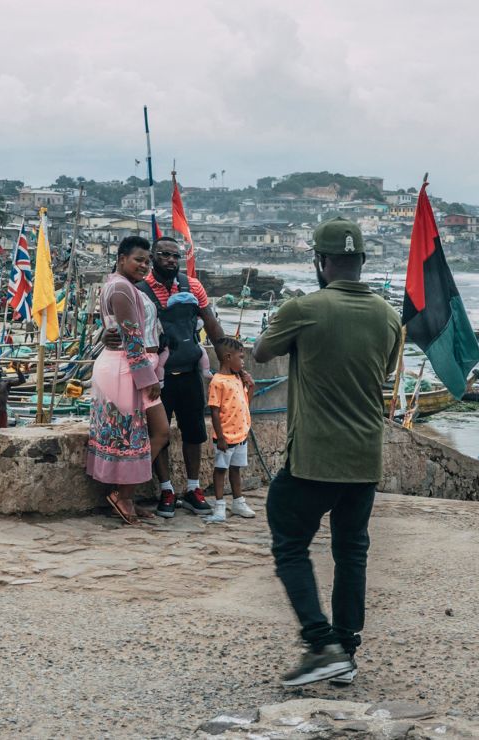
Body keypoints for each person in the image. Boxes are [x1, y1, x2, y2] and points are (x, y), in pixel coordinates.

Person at [253, 217, 403, 687]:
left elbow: (260, 352)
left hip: (315, 457)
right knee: (351, 552)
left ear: (320, 263)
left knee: (289, 543)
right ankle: (347, 653)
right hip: (365, 458)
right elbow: (385, 368)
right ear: (361, 262)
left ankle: (320, 645)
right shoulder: (389, 316)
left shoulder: (304, 307)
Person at [136, 236, 226, 518]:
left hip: (189, 372)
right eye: (164, 255)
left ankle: (193, 488)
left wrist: (229, 365)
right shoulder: (141, 291)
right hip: (157, 377)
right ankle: (165, 489)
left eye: (176, 255)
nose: (171, 260)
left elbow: (211, 325)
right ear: (153, 257)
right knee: (159, 435)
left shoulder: (193, 286)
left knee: (194, 432)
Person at [86, 236, 169, 525]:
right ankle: (122, 496)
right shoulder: (121, 288)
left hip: (128, 365)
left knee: (140, 434)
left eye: (147, 261)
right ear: (121, 258)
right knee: (143, 433)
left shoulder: (120, 285)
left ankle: (123, 494)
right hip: (127, 368)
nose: (144, 266)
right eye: (138, 260)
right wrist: (148, 379)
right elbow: (131, 338)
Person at [203, 337, 256, 523]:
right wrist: (221, 437)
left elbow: (246, 402)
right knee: (220, 469)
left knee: (236, 469)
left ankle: (238, 501)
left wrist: (251, 385)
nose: (243, 362)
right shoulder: (218, 382)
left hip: (241, 434)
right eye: (240, 357)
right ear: (227, 357)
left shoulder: (237, 378)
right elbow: (215, 412)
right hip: (226, 435)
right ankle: (219, 506)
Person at [0, 363, 26, 429]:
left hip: (2, 413)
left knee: (2, 434)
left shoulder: (6, 382)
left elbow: (22, 380)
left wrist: (17, 369)